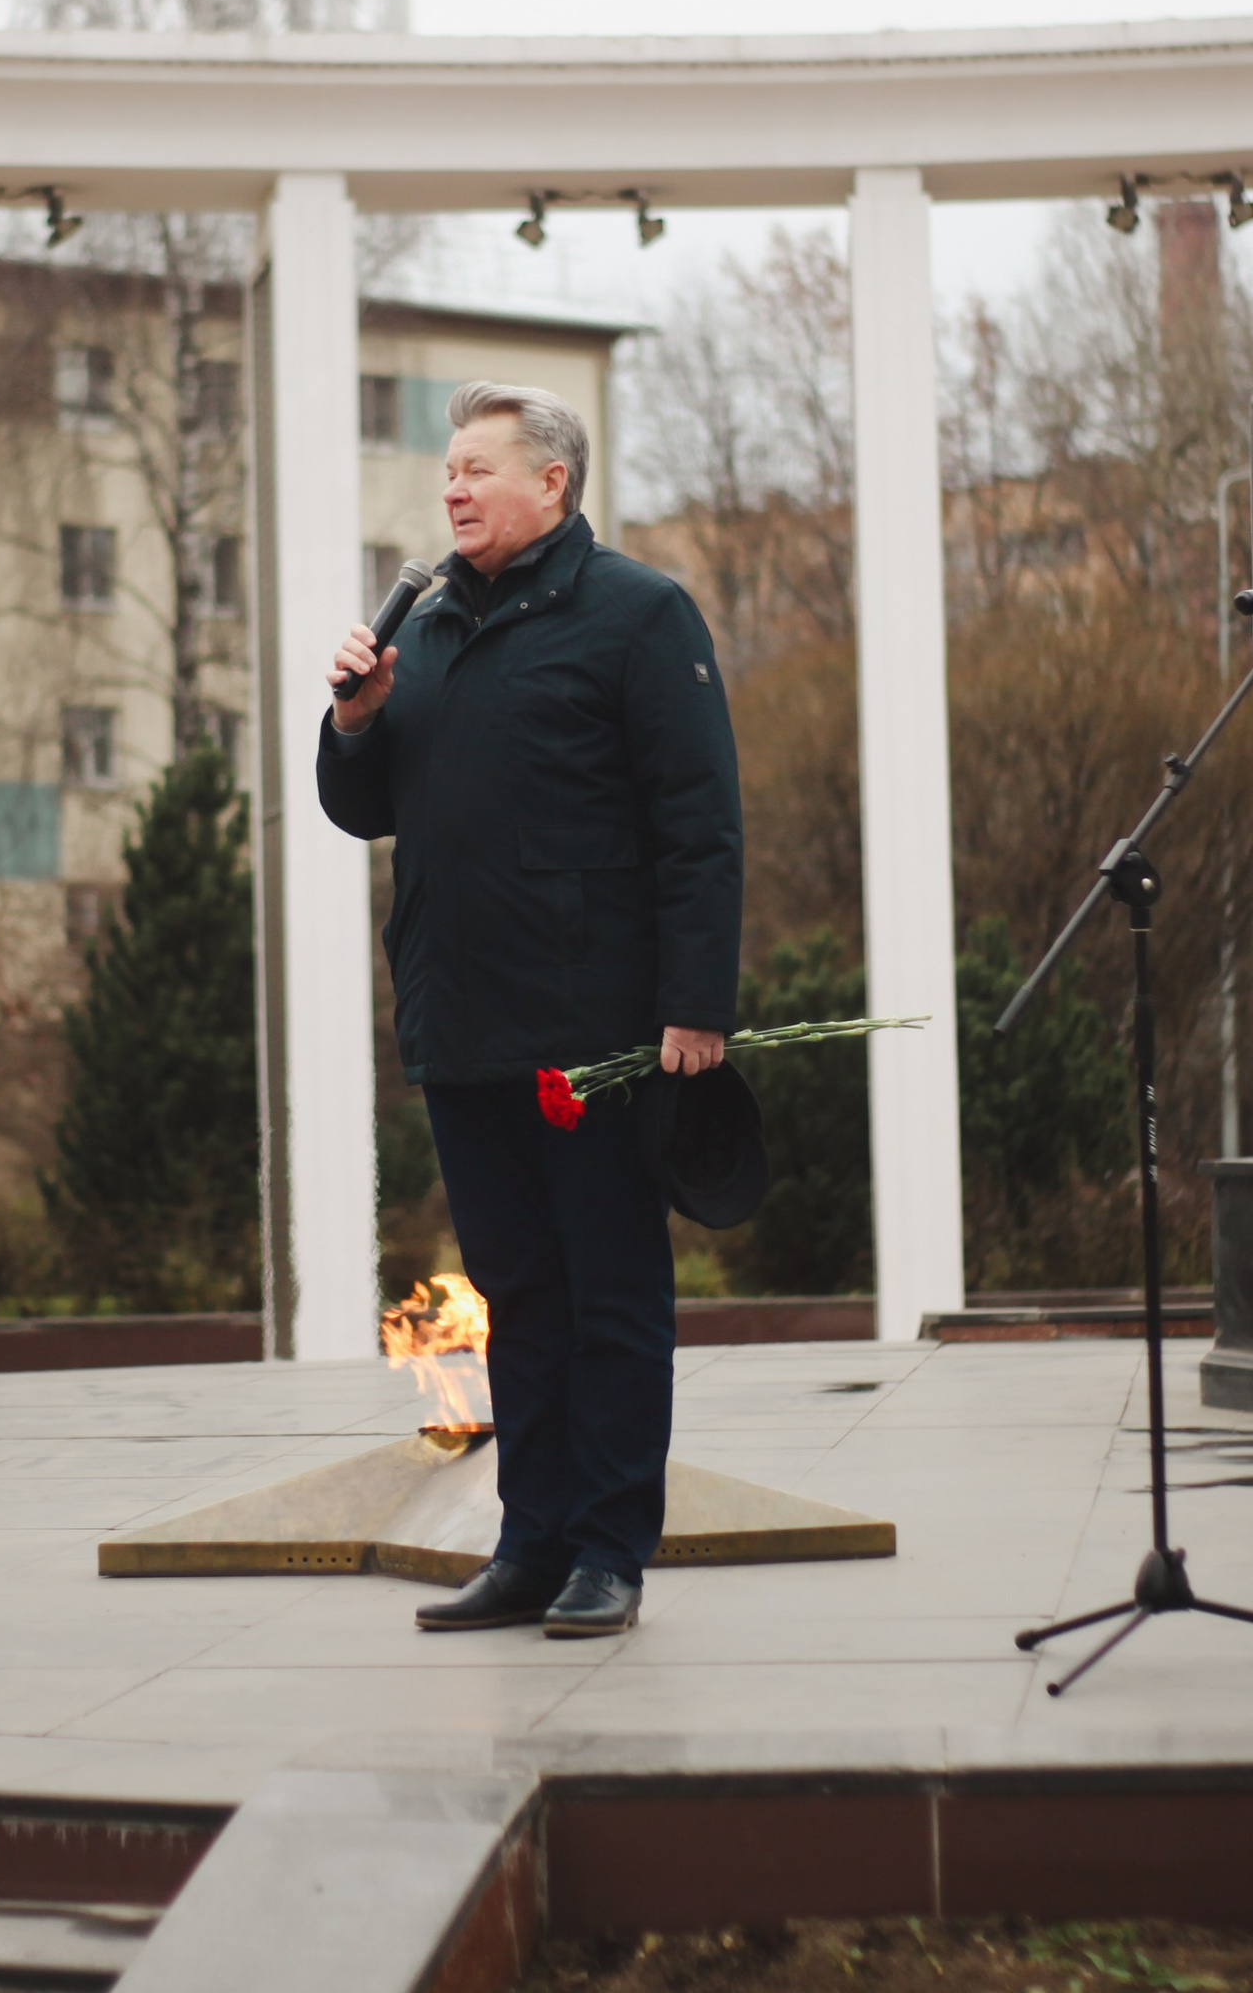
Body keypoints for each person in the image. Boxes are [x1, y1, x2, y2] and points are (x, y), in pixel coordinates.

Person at [319, 381, 742, 1638]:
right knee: (517, 1294)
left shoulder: (639, 615)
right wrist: (352, 720)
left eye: (477, 468)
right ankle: (531, 1543)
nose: (452, 489)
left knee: (609, 1293)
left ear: (552, 483)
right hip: (464, 1025)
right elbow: (364, 807)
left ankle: (610, 1547)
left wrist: (692, 1007)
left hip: (598, 1034)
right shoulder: (431, 627)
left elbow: (699, 824)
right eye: (446, 470)